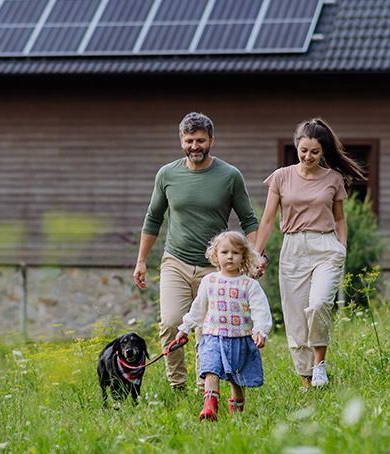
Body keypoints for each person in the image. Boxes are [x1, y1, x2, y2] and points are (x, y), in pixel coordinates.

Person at [133, 112, 260, 393]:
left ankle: (206, 387)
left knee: (208, 329)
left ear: (211, 140)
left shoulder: (230, 175)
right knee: (170, 323)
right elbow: (153, 218)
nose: (195, 146)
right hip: (175, 261)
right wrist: (141, 261)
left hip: (216, 267)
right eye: (189, 141)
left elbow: (249, 220)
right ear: (181, 140)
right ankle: (177, 384)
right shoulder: (167, 174)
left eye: (200, 140)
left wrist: (255, 257)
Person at [252, 118, 366, 387]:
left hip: (325, 247)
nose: (308, 156)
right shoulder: (281, 177)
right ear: (296, 146)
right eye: (304, 150)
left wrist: (341, 246)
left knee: (318, 304)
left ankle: (319, 365)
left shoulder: (333, 179)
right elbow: (267, 219)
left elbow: (339, 218)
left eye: (315, 152)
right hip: (293, 248)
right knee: (295, 317)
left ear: (323, 151)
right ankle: (306, 382)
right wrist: (256, 254)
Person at [175, 231, 271, 420]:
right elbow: (198, 308)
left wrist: (260, 330)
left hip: (240, 339)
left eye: (235, 253)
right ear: (215, 255)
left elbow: (260, 309)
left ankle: (237, 412)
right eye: (224, 252)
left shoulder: (249, 284)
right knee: (211, 369)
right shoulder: (209, 281)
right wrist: (184, 328)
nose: (229, 257)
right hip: (213, 337)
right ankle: (210, 407)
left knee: (238, 378)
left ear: (244, 256)